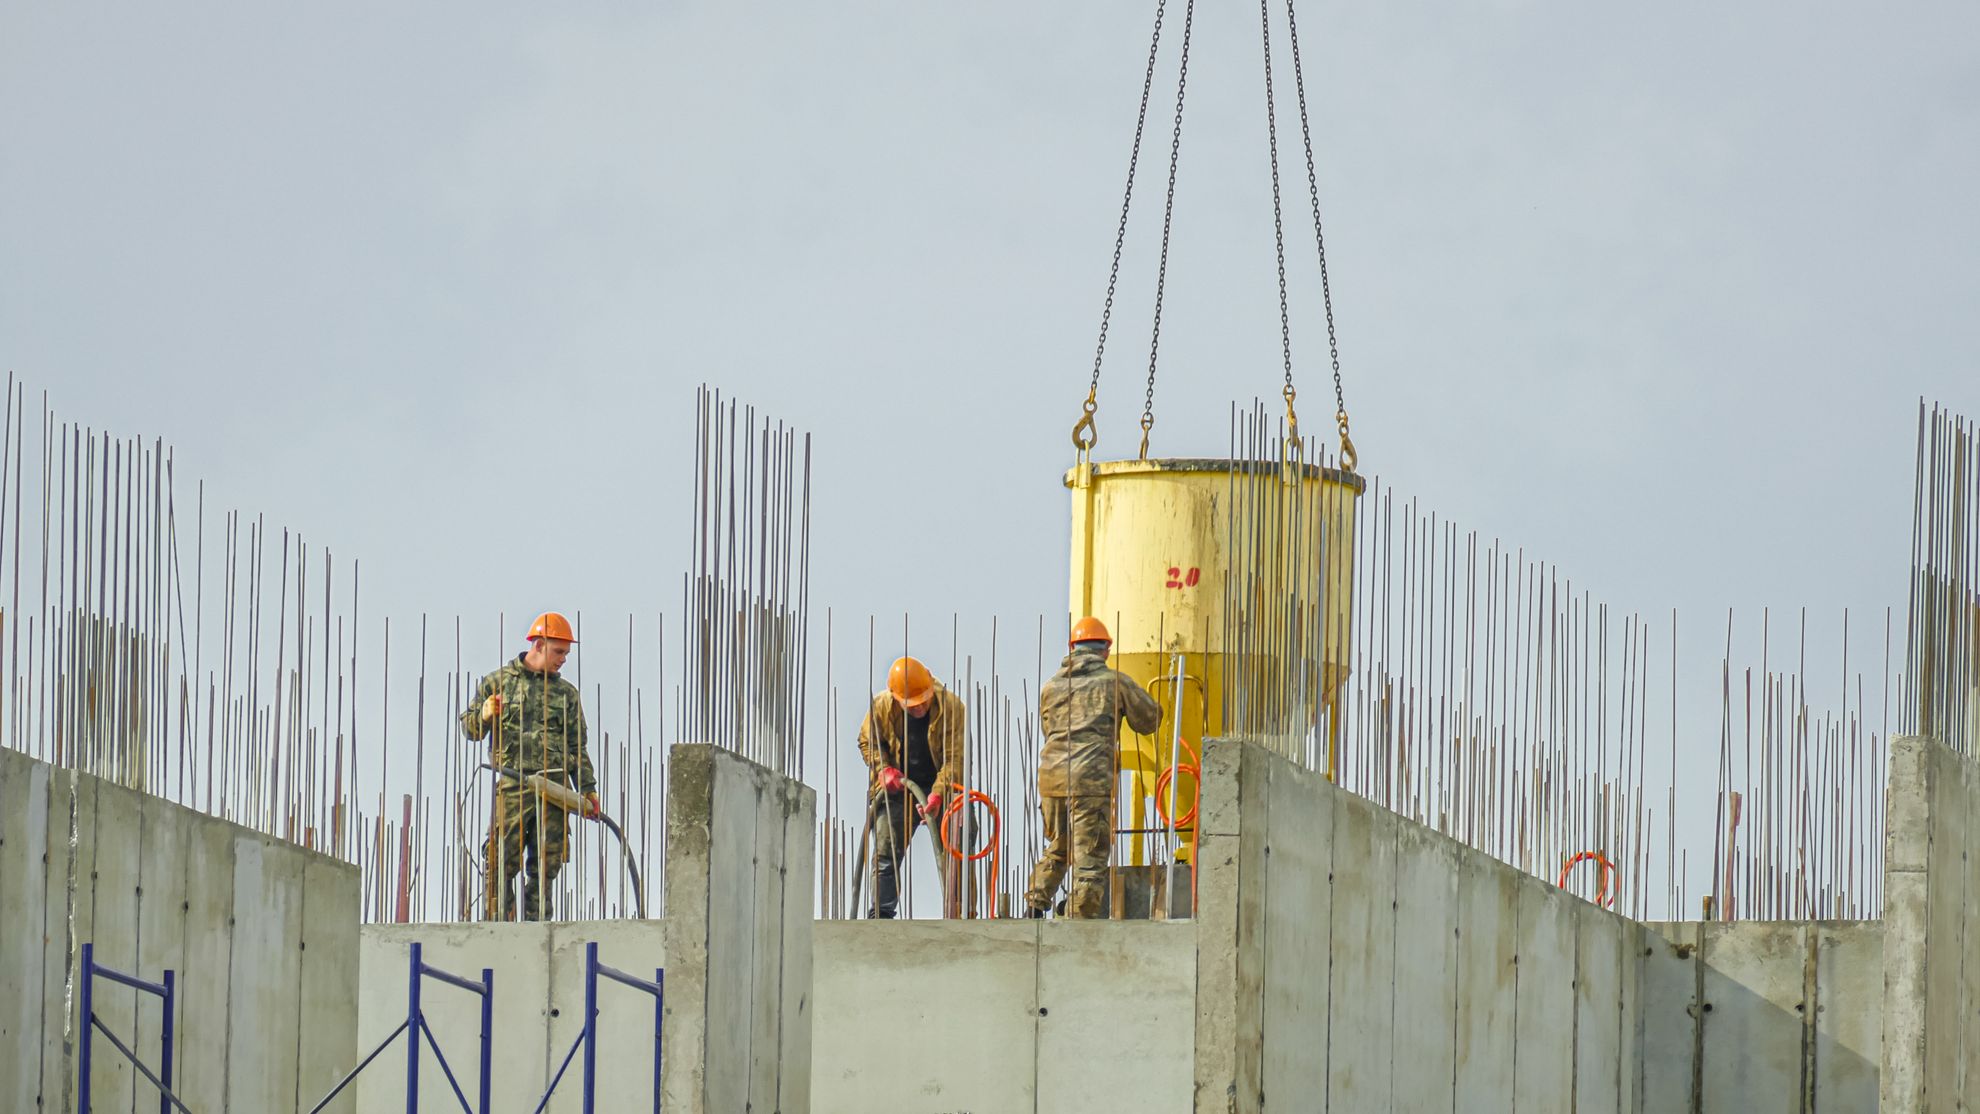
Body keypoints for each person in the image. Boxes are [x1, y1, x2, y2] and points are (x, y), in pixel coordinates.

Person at [459, 611, 599, 921]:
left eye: (566, 653)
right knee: (499, 860)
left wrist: (588, 791)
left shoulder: (566, 695)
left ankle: (537, 931)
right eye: (558, 651)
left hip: (554, 789)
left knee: (547, 865)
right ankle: (497, 926)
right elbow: (469, 731)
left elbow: (578, 747)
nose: (563, 660)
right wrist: (483, 714)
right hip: (513, 786)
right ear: (538, 644)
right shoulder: (498, 683)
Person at [1024, 617, 1161, 919]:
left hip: (1051, 778)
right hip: (1090, 780)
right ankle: (1080, 922)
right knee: (1090, 858)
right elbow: (1148, 720)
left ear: (1072, 649)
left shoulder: (1051, 687)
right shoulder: (1115, 682)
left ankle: (1034, 905)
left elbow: (1049, 729)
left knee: (1059, 847)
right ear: (1106, 651)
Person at [856, 655, 965, 918]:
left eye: (922, 702)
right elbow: (867, 742)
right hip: (898, 787)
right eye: (911, 705)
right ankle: (881, 914)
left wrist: (938, 796)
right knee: (885, 847)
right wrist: (884, 770)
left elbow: (955, 760)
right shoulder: (882, 706)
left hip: (942, 785)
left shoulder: (951, 707)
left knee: (959, 842)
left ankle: (960, 913)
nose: (919, 709)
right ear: (897, 699)